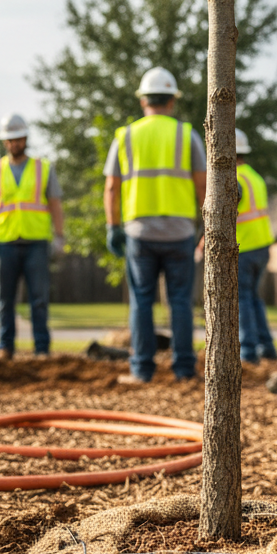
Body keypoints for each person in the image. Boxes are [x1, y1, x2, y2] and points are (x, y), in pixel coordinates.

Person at [103, 67, 207, 384]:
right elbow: (204, 185)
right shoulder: (186, 135)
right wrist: (205, 228)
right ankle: (184, 370)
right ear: (172, 101)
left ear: (143, 101)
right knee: (180, 302)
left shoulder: (126, 136)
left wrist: (112, 226)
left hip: (140, 233)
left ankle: (142, 370)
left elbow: (111, 187)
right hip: (180, 232)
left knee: (141, 301)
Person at [0, 114, 65, 358]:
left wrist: (59, 236)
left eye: (18, 139)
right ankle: (5, 347)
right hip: (4, 244)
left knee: (39, 299)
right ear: (4, 142)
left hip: (36, 242)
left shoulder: (43, 168)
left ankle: (42, 349)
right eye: (10, 140)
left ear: (25, 139)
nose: (14, 143)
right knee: (4, 299)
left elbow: (55, 204)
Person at [235, 129, 277, 364]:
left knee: (242, 299)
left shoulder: (233, 179)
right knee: (253, 297)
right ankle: (267, 347)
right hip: (262, 245)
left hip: (244, 246)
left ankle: (249, 352)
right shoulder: (254, 176)